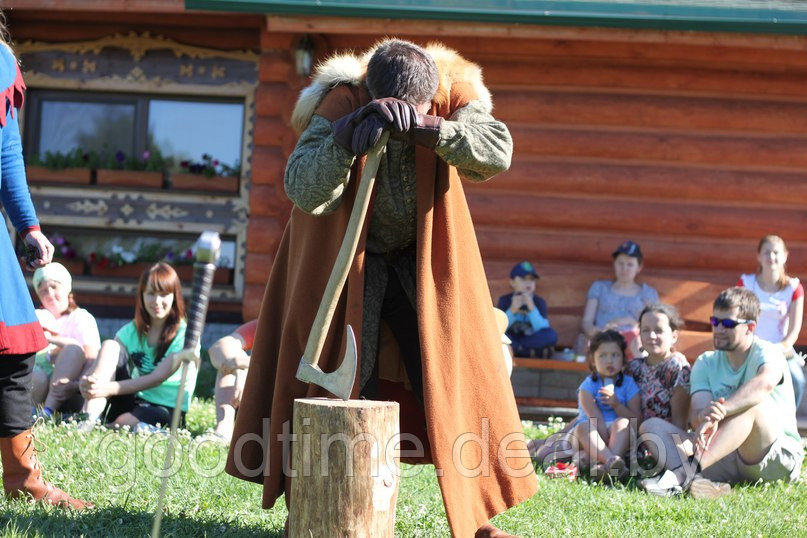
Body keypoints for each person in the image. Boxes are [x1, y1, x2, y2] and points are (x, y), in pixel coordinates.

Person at [226, 39, 536, 537]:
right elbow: (303, 189)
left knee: (452, 383)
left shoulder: (452, 92)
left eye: (413, 109)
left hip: (424, 264)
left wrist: (432, 129)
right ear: (368, 87)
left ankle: (478, 519)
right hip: (349, 265)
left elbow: (495, 152)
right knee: (339, 385)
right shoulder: (341, 101)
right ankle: (308, 510)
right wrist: (343, 142)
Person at [0, 19, 90, 509]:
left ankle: (23, 482)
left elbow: (6, 153)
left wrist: (29, 225)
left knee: (12, 354)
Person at [640, 287, 803, 498]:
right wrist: (704, 417)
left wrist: (723, 410)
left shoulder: (768, 351)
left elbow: (764, 384)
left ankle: (682, 476)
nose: (718, 329)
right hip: (721, 454)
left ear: (750, 328)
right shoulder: (706, 362)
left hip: (772, 457)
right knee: (652, 427)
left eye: (727, 324)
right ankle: (705, 486)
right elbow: (697, 414)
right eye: (715, 321)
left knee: (753, 407)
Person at [79, 262, 197, 430]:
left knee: (123, 422)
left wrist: (105, 388)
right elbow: (107, 359)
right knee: (110, 345)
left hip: (165, 409)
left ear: (174, 296)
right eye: (151, 294)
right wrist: (88, 380)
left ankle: (105, 425)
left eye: (164, 294)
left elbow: (156, 378)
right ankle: (87, 419)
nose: (157, 301)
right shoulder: (133, 329)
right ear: (141, 295)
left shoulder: (186, 335)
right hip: (134, 399)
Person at [737, 234, 805, 408]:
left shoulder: (794, 288)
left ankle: (788, 423)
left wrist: (777, 349)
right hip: (749, 348)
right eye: (766, 252)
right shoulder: (745, 283)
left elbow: (793, 333)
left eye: (776, 252)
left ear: (785, 256)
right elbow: (736, 319)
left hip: (779, 350)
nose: (771, 257)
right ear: (759, 256)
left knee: (797, 378)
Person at [31, 262, 101, 416]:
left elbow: (92, 359)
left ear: (67, 290)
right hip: (38, 383)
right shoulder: (37, 318)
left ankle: (46, 412)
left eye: (54, 287)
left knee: (73, 350)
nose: (49, 293)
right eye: (42, 290)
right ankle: (30, 414)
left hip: (68, 388)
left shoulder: (81, 317)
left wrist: (75, 385)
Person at [571, 330, 640, 481]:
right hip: (593, 436)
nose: (609, 361)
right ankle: (611, 462)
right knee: (583, 427)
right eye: (602, 356)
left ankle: (605, 469)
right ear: (593, 361)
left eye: (615, 355)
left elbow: (636, 419)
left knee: (623, 423)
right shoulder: (588, 386)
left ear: (623, 359)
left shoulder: (629, 384)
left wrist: (617, 405)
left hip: (617, 438)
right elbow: (596, 419)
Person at [579, 240, 659, 359]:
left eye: (630, 264)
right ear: (614, 264)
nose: (624, 268)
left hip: (634, 344)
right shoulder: (600, 288)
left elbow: (654, 324)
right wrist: (600, 334)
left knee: (636, 343)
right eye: (620, 263)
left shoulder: (647, 293)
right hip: (603, 340)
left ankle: (638, 370)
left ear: (639, 267)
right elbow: (587, 322)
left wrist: (632, 323)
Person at [627, 303, 691, 429]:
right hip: (629, 437)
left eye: (658, 330)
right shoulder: (634, 367)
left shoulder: (677, 368)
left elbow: (679, 424)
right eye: (645, 330)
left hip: (662, 440)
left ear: (674, 336)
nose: (651, 336)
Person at [204, 319, 256, 443]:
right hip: (251, 400)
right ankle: (224, 429)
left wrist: (246, 363)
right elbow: (218, 346)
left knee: (238, 361)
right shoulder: (269, 321)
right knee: (228, 365)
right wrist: (238, 370)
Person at [496, 261, 557, 358]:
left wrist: (532, 309)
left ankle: (518, 348)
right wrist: (512, 309)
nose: (528, 283)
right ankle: (522, 349)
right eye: (523, 279)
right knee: (500, 335)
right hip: (512, 337)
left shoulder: (539, 302)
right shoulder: (505, 300)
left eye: (532, 280)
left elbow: (543, 328)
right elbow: (499, 327)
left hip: (529, 339)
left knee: (551, 335)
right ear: (512, 282)